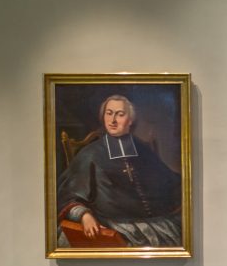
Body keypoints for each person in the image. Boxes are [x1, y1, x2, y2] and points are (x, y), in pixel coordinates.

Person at [57, 94, 183, 248]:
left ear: (130, 120)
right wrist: (84, 215)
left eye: (120, 114)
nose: (113, 120)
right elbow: (68, 196)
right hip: (113, 226)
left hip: (156, 222)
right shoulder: (89, 154)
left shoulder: (143, 149)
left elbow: (169, 182)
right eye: (109, 113)